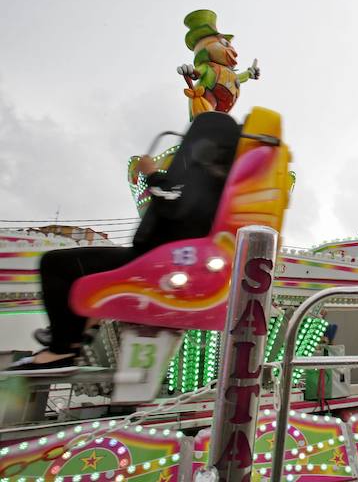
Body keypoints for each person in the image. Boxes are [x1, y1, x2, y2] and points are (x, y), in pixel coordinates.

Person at [5, 112, 241, 375]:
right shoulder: (224, 176)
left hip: (160, 260)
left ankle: (62, 348)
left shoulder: (207, 173)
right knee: (83, 269)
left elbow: (174, 202)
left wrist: (152, 174)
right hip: (168, 259)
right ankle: (76, 329)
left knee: (56, 264)